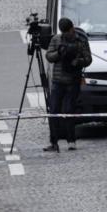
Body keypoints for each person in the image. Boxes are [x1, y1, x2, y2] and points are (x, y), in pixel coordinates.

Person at [44, 18, 92, 152]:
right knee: (53, 111)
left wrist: (78, 62)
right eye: (63, 32)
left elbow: (88, 59)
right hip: (58, 81)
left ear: (72, 28)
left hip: (73, 81)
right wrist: (59, 53)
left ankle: (71, 141)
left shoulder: (81, 40)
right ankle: (54, 142)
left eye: (68, 31)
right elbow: (48, 56)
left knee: (69, 111)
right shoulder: (56, 40)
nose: (66, 34)